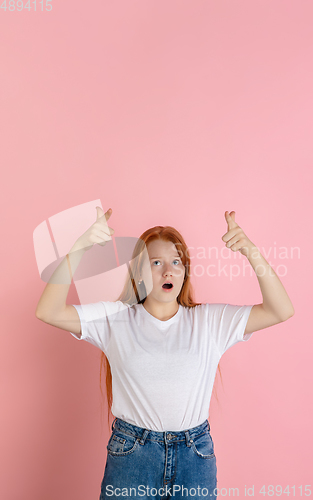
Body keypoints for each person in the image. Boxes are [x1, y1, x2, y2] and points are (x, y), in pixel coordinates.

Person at [35, 207, 295, 500]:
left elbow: (280, 310)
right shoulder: (115, 319)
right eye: (156, 262)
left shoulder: (209, 321)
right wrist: (79, 249)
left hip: (194, 457)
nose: (168, 271)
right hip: (132, 455)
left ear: (185, 271)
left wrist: (251, 251)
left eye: (176, 262)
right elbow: (49, 311)